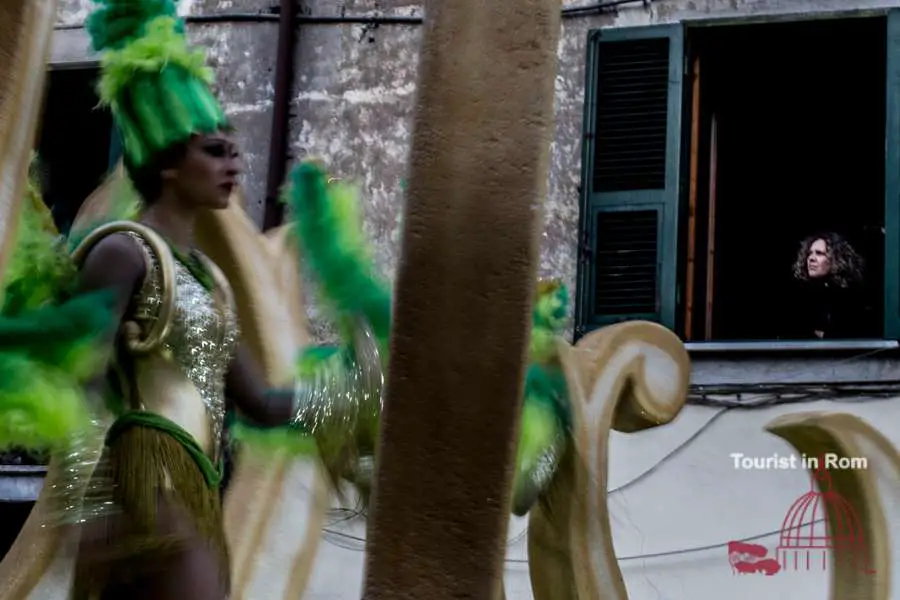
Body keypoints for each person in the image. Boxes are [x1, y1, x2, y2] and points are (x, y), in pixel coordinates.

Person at [59, 2, 298, 598]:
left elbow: (264, 403)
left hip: (197, 481)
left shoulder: (211, 279)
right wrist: (84, 509)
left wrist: (360, 394)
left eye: (233, 151)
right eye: (214, 151)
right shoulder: (122, 252)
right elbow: (77, 382)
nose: (234, 164)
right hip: (144, 474)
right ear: (168, 162)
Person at [784, 232, 867, 339]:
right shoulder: (801, 297)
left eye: (819, 253)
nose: (811, 258)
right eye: (809, 253)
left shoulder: (850, 298)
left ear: (835, 259)